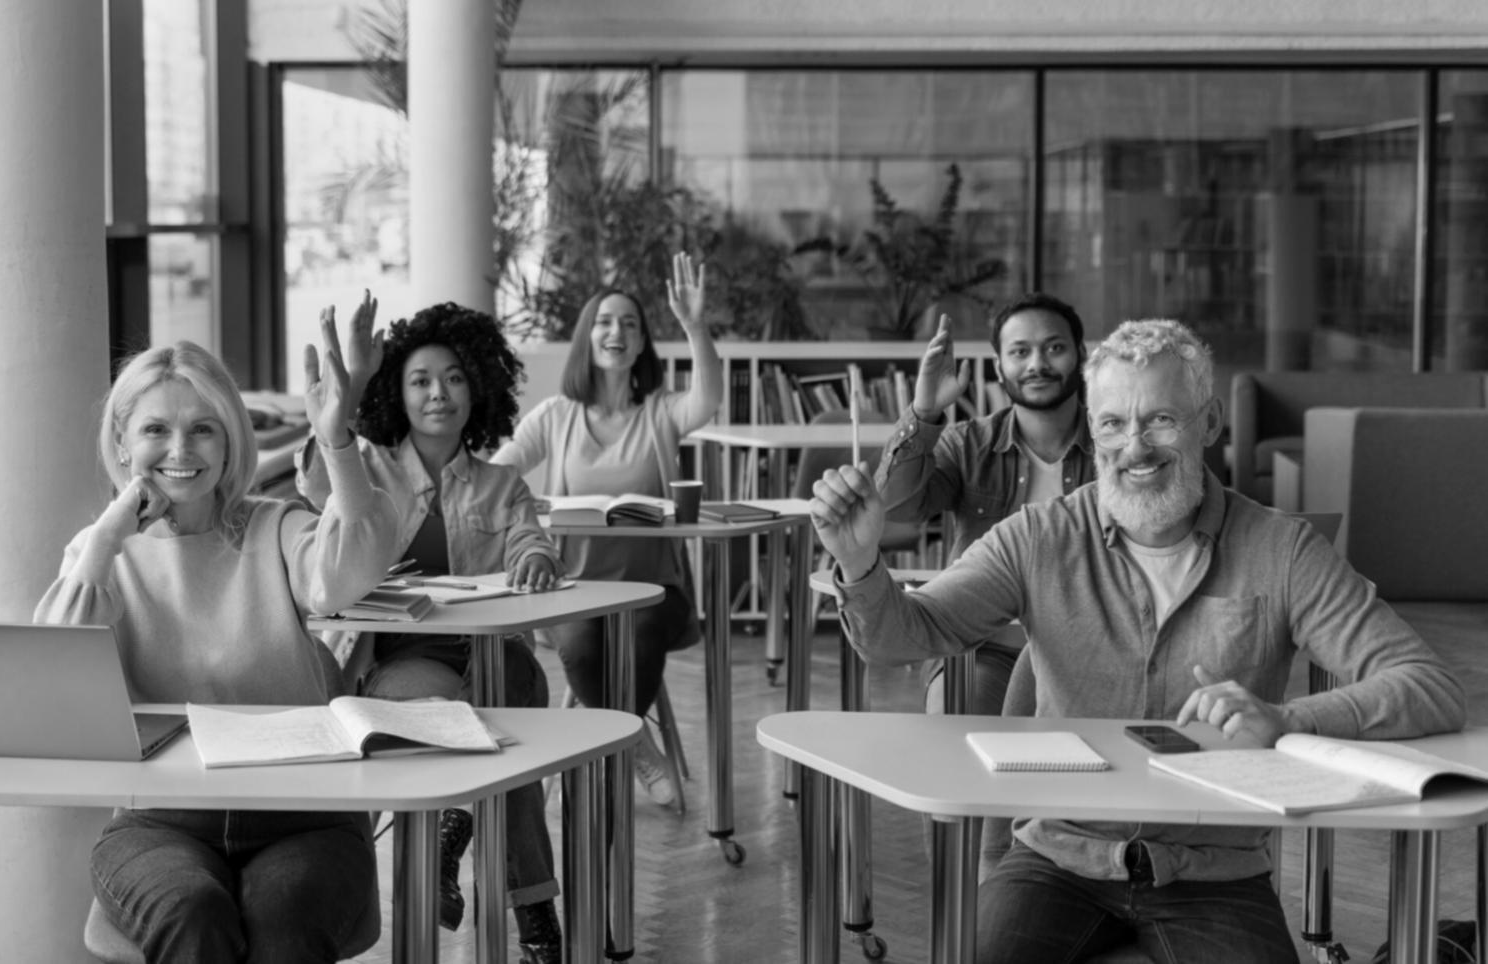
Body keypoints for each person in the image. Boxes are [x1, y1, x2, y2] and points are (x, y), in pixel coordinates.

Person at [810, 319, 1465, 964]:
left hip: (1213, 872)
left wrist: (1287, 719)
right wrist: (861, 564)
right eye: (1112, 424)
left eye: (1159, 420)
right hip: (1057, 860)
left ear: (1208, 423)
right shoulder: (1036, 537)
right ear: (1090, 429)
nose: (1134, 447)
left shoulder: (1282, 549)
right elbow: (906, 635)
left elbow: (1425, 685)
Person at [35, 324, 398, 964]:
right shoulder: (101, 557)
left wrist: (336, 439)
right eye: (155, 429)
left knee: (284, 917)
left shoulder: (276, 526)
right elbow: (51, 673)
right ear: (122, 442)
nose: (181, 448)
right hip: (159, 822)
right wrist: (103, 539)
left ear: (230, 442)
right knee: (190, 914)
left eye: (203, 427)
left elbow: (353, 570)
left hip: (306, 813)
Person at [296, 295, 564, 964]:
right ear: (398, 392)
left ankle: (452, 829)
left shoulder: (503, 484)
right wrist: (346, 393)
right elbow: (315, 486)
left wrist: (532, 556)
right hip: (405, 661)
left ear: (476, 386)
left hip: (495, 656)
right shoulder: (367, 470)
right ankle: (535, 918)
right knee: (510, 759)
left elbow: (532, 539)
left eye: (451, 376)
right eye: (419, 379)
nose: (437, 393)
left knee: (500, 709)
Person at [492, 252, 722, 807]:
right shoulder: (556, 414)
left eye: (629, 323)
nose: (615, 331)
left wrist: (694, 326)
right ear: (586, 339)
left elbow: (708, 400)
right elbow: (498, 472)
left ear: (642, 343)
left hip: (654, 591)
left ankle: (615, 742)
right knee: (579, 644)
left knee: (641, 635)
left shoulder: (662, 411)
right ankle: (635, 746)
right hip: (573, 590)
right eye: (603, 321)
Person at [876, 294, 1095, 715]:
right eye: (1020, 352)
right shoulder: (966, 444)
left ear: (1081, 356)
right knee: (953, 733)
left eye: (1054, 347)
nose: (1037, 364)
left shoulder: (1112, 445)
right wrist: (924, 412)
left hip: (1090, 647)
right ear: (999, 367)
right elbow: (895, 511)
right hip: (984, 647)